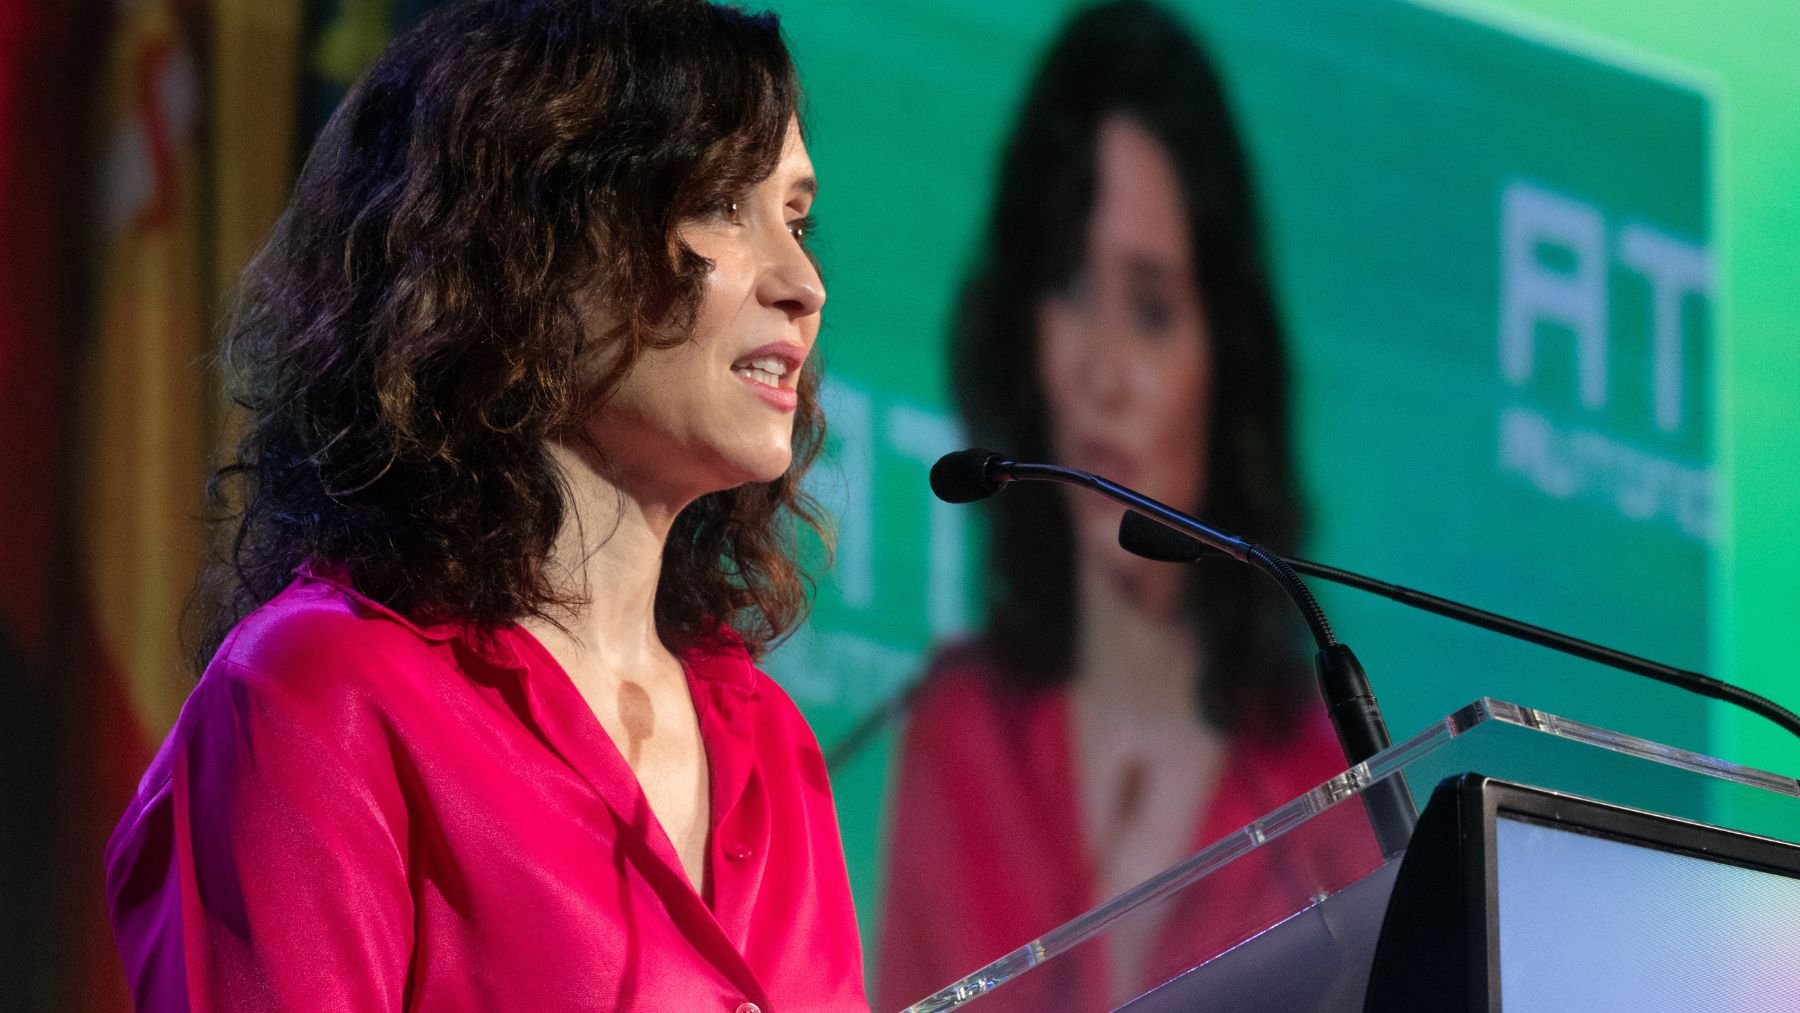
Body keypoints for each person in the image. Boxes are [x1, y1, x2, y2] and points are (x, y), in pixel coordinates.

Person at [102, 1, 865, 1009]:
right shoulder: (323, 693)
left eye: (797, 219)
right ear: (528, 246)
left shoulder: (769, 742)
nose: (803, 281)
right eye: (722, 202)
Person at [878, 3, 1368, 1008]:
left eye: (1149, 306)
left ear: (1221, 357)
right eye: (1069, 286)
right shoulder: (960, 732)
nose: (1102, 367)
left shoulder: (1331, 788)